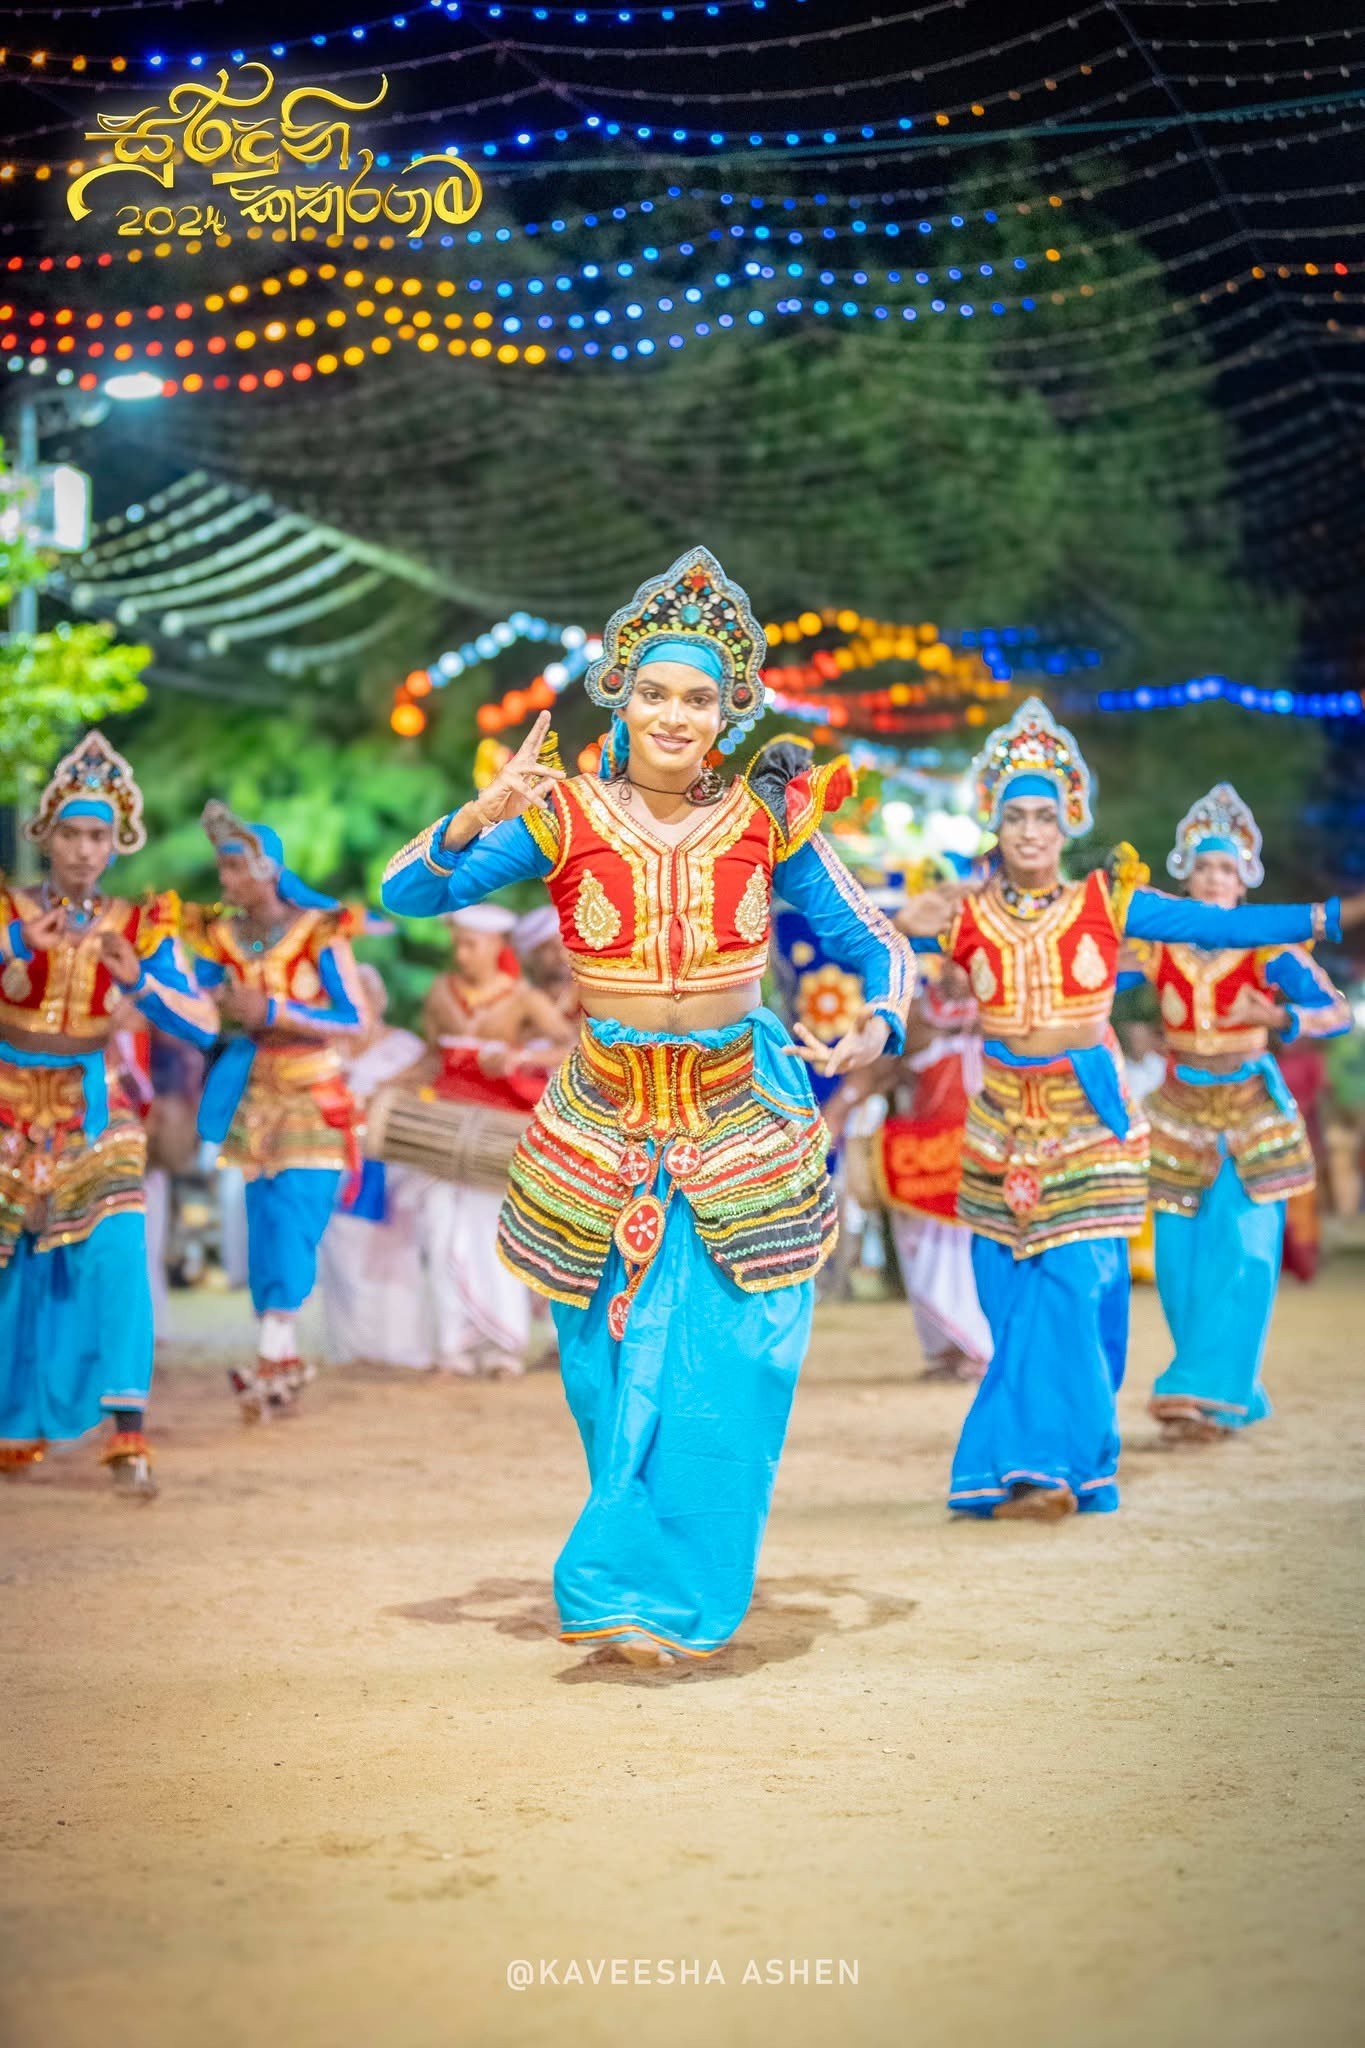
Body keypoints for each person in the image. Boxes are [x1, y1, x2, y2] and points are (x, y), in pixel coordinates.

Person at [381, 545, 913, 1666]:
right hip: (604, 1124)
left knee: (738, 1361)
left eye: (699, 699)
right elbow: (408, 892)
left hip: (738, 1112)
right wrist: (479, 813)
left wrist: (881, 1019)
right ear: (621, 699)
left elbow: (877, 941)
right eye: (656, 693)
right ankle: (630, 1582)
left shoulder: (768, 820)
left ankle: (657, 1589)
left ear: (728, 712)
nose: (676, 715)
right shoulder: (562, 817)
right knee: (611, 1367)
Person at [897, 698, 1363, 1521]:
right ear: (995, 823)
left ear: (1067, 822)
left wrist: (1333, 915)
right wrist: (901, 922)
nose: (1031, 831)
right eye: (1016, 816)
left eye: (1045, 816)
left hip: (1091, 1123)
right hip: (1001, 1127)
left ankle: (1063, 1461)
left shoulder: (1110, 903)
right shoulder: (966, 912)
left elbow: (1229, 927)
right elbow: (864, 943)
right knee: (1014, 1300)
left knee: (1088, 1290)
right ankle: (1025, 1461)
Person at [0, 732, 217, 1495]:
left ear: (117, 842)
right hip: (6, 1100)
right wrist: (11, 946)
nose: (85, 850)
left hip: (95, 1106)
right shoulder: (7, 907)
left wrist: (142, 985)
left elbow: (202, 1023)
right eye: (71, 834)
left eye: (99, 836)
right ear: (46, 836)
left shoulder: (143, 923)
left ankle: (127, 1430)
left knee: (120, 1248)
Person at [1130, 786, 1350, 1440]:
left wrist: (1279, 1017)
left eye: (1225, 868)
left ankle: (1202, 1391)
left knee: (1247, 1251)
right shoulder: (1157, 946)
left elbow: (1335, 1012)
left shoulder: (1267, 949)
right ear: (1185, 877)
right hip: (1179, 1109)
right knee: (1178, 1260)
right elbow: (1087, 975)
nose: (1213, 878)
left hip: (1251, 1109)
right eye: (1203, 867)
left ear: (1243, 881)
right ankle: (1218, 1389)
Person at [184, 803, 366, 1421]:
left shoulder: (318, 932)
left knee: (293, 1217)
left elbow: (357, 1019)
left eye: (236, 867)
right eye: (222, 867)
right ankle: (280, 1355)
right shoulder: (219, 937)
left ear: (267, 870)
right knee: (262, 1220)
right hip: (253, 1094)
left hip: (313, 1093)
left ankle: (271, 1353)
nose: (226, 880)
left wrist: (275, 1013)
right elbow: (198, 1002)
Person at [421, 904, 574, 1378]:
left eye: (471, 945)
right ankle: (452, 1344)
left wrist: (519, 1059)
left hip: (500, 1134)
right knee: (439, 1230)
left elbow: (574, 1045)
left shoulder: (523, 999)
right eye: (458, 944)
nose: (462, 954)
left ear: (495, 947)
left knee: (497, 1232)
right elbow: (430, 1056)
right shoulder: (440, 993)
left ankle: (504, 1344)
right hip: (446, 1130)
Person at [826, 959, 991, 1381]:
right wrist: (835, 1117)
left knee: (980, 1256)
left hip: (988, 1153)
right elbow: (871, 1075)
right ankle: (948, 1350)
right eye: (948, 960)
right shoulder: (913, 1015)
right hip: (926, 1160)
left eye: (965, 961)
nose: (955, 971)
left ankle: (976, 1349)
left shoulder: (1005, 1011)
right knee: (924, 1248)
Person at [319, 963, 433, 1371]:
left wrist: (384, 1091)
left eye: (365, 993)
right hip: (336, 1164)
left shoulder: (406, 1048)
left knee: (394, 1256)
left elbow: (425, 1088)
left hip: (392, 1168)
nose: (358, 1001)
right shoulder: (322, 1046)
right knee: (341, 1252)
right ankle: (351, 1348)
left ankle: (399, 1348)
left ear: (379, 1000)